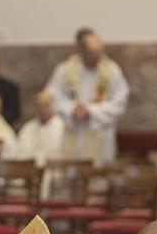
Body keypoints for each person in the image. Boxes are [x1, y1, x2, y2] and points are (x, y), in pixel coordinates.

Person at [46, 28, 128, 165]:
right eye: (92, 53)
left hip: (100, 136)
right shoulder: (65, 70)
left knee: (98, 180)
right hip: (72, 133)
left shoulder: (111, 71)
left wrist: (91, 110)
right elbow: (52, 97)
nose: (97, 57)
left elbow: (120, 102)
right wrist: (72, 109)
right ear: (81, 50)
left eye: (99, 52)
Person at [15, 90, 65, 167]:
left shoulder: (62, 128)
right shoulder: (28, 127)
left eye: (46, 105)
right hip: (30, 171)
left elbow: (60, 155)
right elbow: (20, 153)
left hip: (53, 171)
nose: (43, 109)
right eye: (39, 106)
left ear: (53, 106)